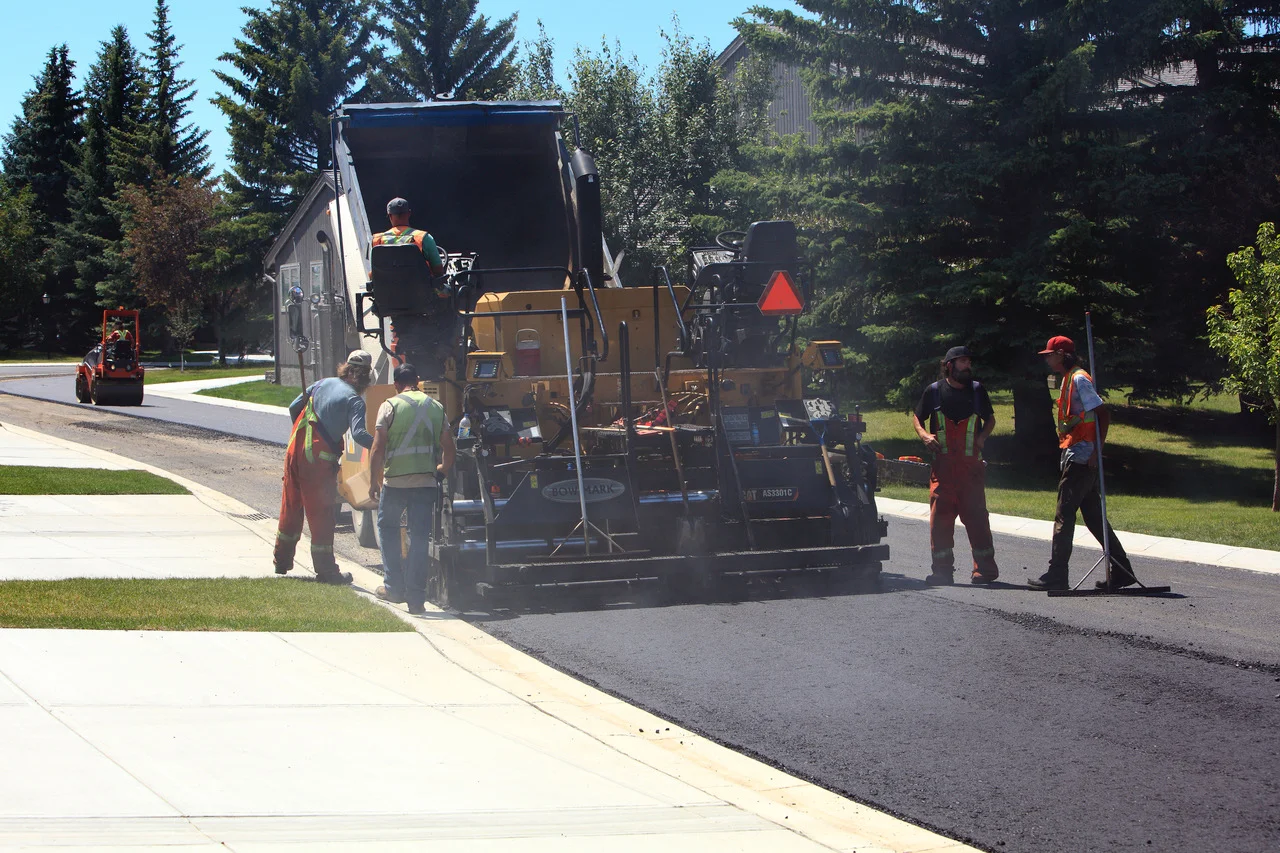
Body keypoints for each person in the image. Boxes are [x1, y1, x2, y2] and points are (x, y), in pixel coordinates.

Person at [1028, 335, 1140, 592]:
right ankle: (1122, 572)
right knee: (1094, 518)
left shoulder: (1078, 378)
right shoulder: (1067, 379)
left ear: (1061, 354)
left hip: (1082, 458)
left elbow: (1103, 414)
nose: (1047, 358)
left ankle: (1057, 575)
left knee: (1064, 516)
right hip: (1076, 456)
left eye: (1050, 354)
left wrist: (1095, 453)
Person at [275, 350, 376, 584]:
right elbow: (360, 434)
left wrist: (304, 436)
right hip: (318, 461)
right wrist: (382, 446)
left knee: (291, 505)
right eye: (364, 376)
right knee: (322, 515)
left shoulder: (322, 384)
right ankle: (327, 571)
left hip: (294, 452)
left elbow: (293, 407)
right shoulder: (354, 400)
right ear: (359, 376)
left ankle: (282, 560)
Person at [368, 363, 455, 615]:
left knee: (388, 529)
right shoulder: (436, 407)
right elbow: (449, 447)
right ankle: (416, 600)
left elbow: (377, 447)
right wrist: (442, 469)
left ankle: (393, 588)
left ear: (396, 384)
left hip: (395, 483)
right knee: (419, 539)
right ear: (417, 380)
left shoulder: (389, 406)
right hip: (425, 483)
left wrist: (374, 480)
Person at [912, 346, 999, 585]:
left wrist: (982, 438)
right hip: (943, 470)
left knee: (978, 519)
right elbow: (917, 417)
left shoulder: (977, 390)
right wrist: (924, 436)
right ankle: (942, 571)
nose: (967, 365)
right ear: (950, 365)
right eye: (962, 362)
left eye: (969, 361)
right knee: (940, 521)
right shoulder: (934, 392)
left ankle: (985, 570)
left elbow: (990, 419)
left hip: (970, 471)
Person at [372, 197, 445, 276]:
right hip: (420, 288)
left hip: (386, 288)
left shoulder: (377, 240)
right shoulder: (424, 238)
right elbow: (438, 271)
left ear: (390, 216)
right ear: (409, 213)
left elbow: (374, 272)